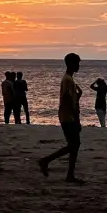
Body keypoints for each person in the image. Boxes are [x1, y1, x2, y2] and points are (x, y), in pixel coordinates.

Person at [37, 53, 85, 184]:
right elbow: (68, 100)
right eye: (77, 63)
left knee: (74, 146)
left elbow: (70, 98)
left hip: (66, 116)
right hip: (68, 117)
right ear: (71, 64)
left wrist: (78, 95)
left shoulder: (68, 79)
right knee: (73, 145)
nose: (79, 66)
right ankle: (46, 160)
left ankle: (70, 175)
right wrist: (77, 119)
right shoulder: (68, 80)